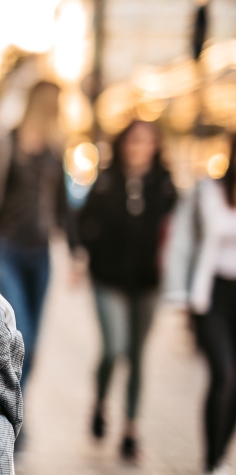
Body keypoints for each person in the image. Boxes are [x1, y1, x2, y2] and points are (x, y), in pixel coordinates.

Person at [76, 120, 177, 461]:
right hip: (108, 280)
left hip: (147, 285)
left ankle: (130, 429)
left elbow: (178, 232)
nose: (138, 148)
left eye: (146, 142)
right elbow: (83, 222)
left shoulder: (164, 185)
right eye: (133, 142)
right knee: (114, 348)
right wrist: (82, 255)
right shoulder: (106, 181)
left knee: (137, 356)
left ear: (155, 146)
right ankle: (101, 402)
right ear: (123, 145)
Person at [0, 81, 78, 396]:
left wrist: (77, 252)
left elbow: (63, 207)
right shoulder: (6, 144)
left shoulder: (54, 152)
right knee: (23, 336)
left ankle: (17, 406)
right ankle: (6, 402)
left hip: (41, 255)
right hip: (6, 251)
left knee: (34, 345)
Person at [165, 136, 236, 475]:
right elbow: (182, 241)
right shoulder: (207, 192)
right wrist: (180, 294)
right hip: (213, 296)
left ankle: (221, 455)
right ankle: (211, 459)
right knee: (223, 373)